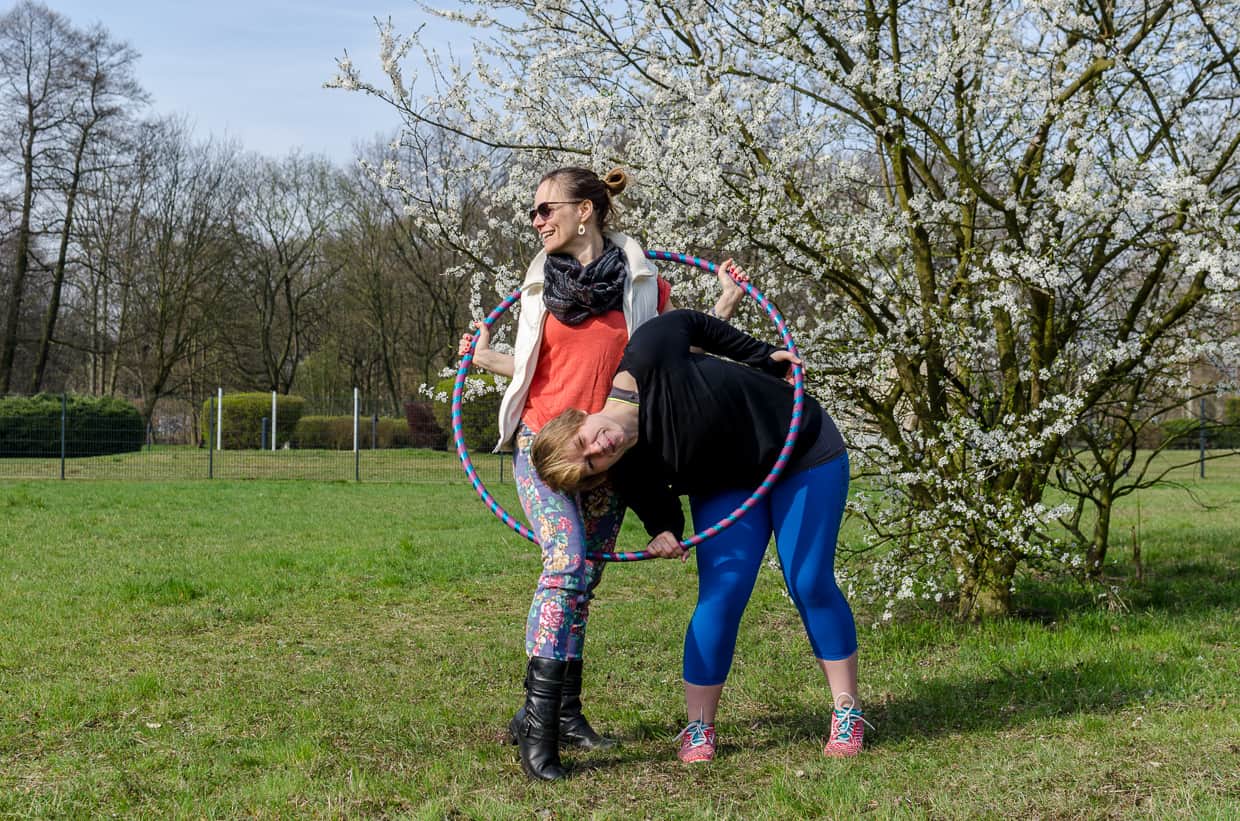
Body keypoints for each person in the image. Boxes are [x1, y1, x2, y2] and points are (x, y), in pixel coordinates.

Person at [458, 166, 746, 780]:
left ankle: (563, 712)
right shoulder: (538, 288)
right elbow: (535, 366)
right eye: (532, 212)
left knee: (583, 580)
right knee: (563, 565)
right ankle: (538, 734)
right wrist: (484, 357)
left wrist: (724, 302)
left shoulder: (644, 285)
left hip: (611, 454)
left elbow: (679, 356)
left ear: (585, 210)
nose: (535, 220)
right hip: (548, 443)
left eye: (544, 209)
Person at [530, 308, 866, 764]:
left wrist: (763, 356)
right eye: (590, 464)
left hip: (803, 448)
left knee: (808, 581)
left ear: (579, 418)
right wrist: (664, 533)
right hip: (728, 484)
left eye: (583, 441)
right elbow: (660, 509)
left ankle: (846, 712)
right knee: (721, 596)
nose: (598, 449)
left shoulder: (648, 355)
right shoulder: (627, 469)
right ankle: (699, 728)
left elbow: (694, 323)